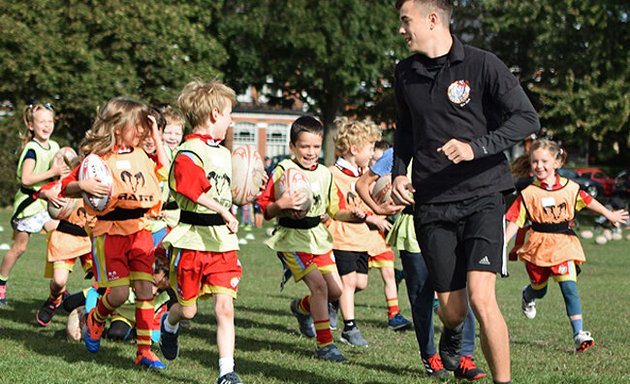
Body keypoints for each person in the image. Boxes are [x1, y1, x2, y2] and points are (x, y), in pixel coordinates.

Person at [391, 1, 541, 383]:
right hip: (432, 203)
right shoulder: (404, 73)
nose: (401, 30)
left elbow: (526, 117)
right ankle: (453, 333)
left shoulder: (482, 64)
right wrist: (397, 175)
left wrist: (477, 147)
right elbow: (405, 132)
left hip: (483, 195)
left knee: (481, 296)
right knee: (453, 310)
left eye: (405, 22)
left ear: (432, 19)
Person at [356, 147, 486, 380]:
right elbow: (362, 184)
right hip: (413, 227)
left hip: (450, 225)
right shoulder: (397, 153)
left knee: (460, 291)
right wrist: (378, 209)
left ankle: (465, 357)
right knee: (422, 297)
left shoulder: (454, 145)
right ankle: (430, 357)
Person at [62, 96, 167, 369]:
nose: (143, 131)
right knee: (119, 295)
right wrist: (83, 185)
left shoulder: (142, 155)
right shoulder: (97, 160)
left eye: (147, 127)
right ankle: (96, 318)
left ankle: (144, 351)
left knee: (146, 290)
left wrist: (157, 136)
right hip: (109, 233)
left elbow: (165, 170)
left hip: (139, 230)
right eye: (139, 126)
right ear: (118, 127)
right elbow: (66, 188)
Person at [505, 139, 629, 352]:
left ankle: (579, 333)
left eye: (544, 161)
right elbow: (516, 220)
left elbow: (588, 201)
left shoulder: (570, 188)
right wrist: (504, 242)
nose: (539, 166)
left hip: (564, 244)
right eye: (535, 162)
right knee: (539, 290)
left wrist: (609, 214)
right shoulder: (528, 193)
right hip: (538, 247)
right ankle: (528, 295)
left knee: (569, 288)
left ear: (556, 162)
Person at [158, 80, 244, 384]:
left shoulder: (222, 153)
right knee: (189, 311)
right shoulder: (188, 152)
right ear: (215, 114)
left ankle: (226, 372)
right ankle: (169, 325)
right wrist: (222, 210)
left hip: (222, 242)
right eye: (230, 115)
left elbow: (225, 192)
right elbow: (190, 188)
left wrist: (245, 192)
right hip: (192, 239)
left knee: (225, 307)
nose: (231, 121)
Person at [257, 115, 362, 362]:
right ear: (293, 147)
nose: (311, 152)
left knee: (335, 291)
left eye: (316, 146)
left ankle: (302, 308)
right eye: (304, 146)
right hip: (292, 239)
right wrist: (280, 204)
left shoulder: (326, 174)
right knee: (320, 287)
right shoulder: (284, 170)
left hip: (318, 238)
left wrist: (354, 215)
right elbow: (265, 210)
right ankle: (325, 345)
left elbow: (335, 210)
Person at [325, 117, 411, 348]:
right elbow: (336, 208)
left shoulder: (364, 176)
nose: (374, 153)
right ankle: (349, 328)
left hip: (362, 239)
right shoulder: (334, 174)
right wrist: (364, 216)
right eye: (370, 148)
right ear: (354, 149)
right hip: (342, 236)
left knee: (360, 283)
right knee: (349, 282)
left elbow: (375, 199)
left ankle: (326, 302)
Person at [0, 103, 67, 306]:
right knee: (20, 248)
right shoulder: (32, 149)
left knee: (61, 235)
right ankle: (1, 283)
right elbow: (26, 180)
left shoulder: (54, 146)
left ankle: (59, 285)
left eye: (50, 121)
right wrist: (52, 173)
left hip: (45, 203)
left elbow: (59, 171)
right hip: (30, 203)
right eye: (41, 122)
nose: (46, 126)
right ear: (31, 125)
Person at [35, 178, 95, 326]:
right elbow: (39, 192)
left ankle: (99, 316)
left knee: (106, 280)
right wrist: (48, 194)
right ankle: (54, 299)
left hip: (92, 238)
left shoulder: (104, 176)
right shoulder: (70, 179)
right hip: (66, 236)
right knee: (58, 281)